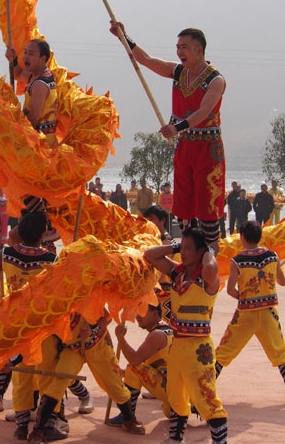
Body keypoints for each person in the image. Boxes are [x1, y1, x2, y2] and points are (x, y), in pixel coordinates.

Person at [111, 24, 225, 250]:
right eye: (178, 47)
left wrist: (177, 127)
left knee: (208, 207)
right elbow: (145, 59)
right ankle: (190, 254)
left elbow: (204, 111)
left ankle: (211, 258)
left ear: (199, 50)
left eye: (185, 47)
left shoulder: (215, 80)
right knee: (183, 207)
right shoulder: (178, 72)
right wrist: (124, 37)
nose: (179, 52)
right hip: (185, 147)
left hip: (208, 149)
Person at [0, 211, 61, 441]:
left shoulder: (6, 254)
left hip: (15, 326)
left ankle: (22, 426)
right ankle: (45, 427)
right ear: (43, 233)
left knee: (21, 378)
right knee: (47, 376)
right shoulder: (52, 260)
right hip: (42, 325)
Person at [144, 228, 227, 444]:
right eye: (184, 247)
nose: (185, 252)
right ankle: (175, 438)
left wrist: (209, 249)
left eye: (189, 248)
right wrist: (177, 246)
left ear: (201, 251)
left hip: (199, 349)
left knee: (206, 396)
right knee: (176, 395)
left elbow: (209, 267)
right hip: (177, 345)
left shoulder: (207, 279)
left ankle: (220, 441)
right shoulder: (177, 272)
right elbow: (150, 255)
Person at [28, 310, 144, 442]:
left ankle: (129, 419)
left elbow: (107, 317)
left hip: (97, 345)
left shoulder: (88, 293)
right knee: (59, 380)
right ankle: (38, 430)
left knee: (114, 383)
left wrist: (93, 329)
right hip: (72, 349)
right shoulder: (54, 300)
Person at [215, 220, 285, 388]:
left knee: (222, 355)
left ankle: (203, 393)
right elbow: (282, 282)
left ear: (243, 238)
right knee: (281, 356)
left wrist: (246, 297)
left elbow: (231, 290)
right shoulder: (272, 256)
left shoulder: (237, 261)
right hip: (268, 314)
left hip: (245, 315)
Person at [107, 303, 172, 427]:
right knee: (168, 412)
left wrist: (120, 338)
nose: (137, 316)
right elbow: (149, 364)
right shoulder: (165, 329)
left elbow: (135, 361)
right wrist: (122, 372)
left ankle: (126, 416)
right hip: (177, 392)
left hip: (171, 390)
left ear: (155, 313)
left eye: (141, 312)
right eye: (137, 312)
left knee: (133, 367)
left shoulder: (157, 335)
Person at [5, 39, 58, 147]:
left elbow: (33, 119)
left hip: (41, 146)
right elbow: (18, 74)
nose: (25, 57)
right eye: (25, 53)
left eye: (31, 54)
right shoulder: (36, 75)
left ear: (42, 58)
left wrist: (13, 126)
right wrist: (14, 59)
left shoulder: (40, 84)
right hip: (39, 141)